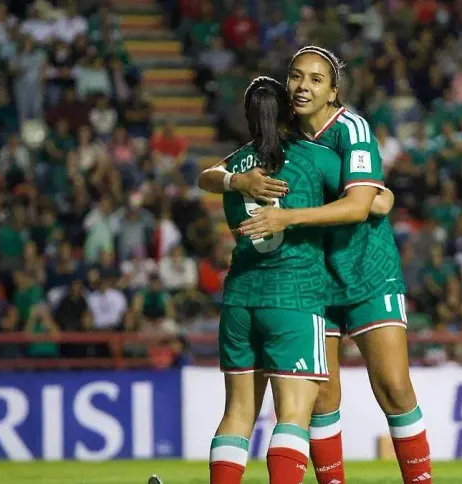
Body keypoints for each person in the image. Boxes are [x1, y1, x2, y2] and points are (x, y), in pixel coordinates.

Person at [206, 46, 432, 484]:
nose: (303, 86)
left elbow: (364, 205)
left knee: (394, 386)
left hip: (366, 269)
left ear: (333, 91)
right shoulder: (283, 137)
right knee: (322, 398)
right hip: (312, 278)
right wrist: (236, 180)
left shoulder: (351, 128)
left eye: (315, 79)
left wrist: (291, 215)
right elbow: (213, 173)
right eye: (296, 76)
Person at [200, 76, 342, 484]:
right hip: (294, 294)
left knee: (237, 413)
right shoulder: (314, 157)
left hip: (240, 297)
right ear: (289, 110)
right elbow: (364, 195)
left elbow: (206, 176)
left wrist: (236, 181)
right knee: (293, 414)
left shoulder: (235, 166)